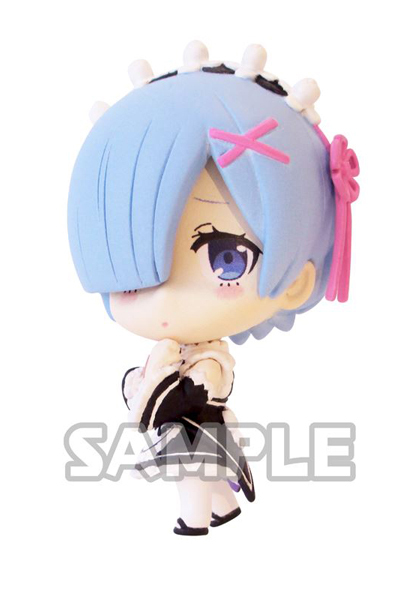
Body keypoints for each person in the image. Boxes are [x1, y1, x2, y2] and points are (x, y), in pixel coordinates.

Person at [68, 41, 360, 535]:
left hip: (200, 430)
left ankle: (195, 522)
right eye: (130, 265)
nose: (164, 294)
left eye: (227, 258)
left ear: (296, 281)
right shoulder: (178, 352)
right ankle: (223, 508)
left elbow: (200, 389)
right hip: (193, 431)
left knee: (193, 475)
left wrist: (163, 381)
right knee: (205, 473)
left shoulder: (211, 362)